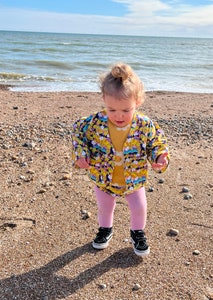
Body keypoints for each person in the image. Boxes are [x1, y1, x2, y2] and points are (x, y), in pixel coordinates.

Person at [71, 62, 169, 257]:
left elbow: (155, 142)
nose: (118, 116)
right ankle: (105, 230)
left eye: (126, 110)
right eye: (111, 109)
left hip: (133, 178)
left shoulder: (144, 124)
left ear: (138, 102)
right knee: (105, 207)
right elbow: (78, 134)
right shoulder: (93, 123)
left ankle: (137, 233)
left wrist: (159, 157)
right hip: (103, 177)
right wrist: (82, 155)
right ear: (104, 100)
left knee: (139, 207)